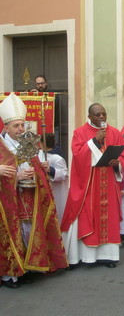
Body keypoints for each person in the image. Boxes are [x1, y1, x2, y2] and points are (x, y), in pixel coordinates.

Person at [0, 93, 68, 289]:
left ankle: (27, 268)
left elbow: (37, 168)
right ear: (6, 127)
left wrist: (41, 170)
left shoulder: (29, 144)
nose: (21, 129)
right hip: (6, 202)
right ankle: (9, 275)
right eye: (16, 126)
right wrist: (11, 175)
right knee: (10, 234)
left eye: (22, 125)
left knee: (27, 233)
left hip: (29, 197)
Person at [61, 103, 124, 269]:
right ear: (89, 116)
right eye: (97, 115)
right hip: (89, 186)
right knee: (86, 217)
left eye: (104, 114)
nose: (101, 118)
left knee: (108, 219)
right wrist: (94, 141)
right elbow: (77, 156)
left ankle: (108, 256)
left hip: (109, 183)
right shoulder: (80, 132)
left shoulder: (114, 132)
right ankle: (84, 256)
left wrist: (117, 163)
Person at [38, 133, 69, 223]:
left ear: (42, 144)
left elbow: (64, 174)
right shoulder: (39, 154)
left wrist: (50, 170)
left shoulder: (57, 158)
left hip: (55, 190)